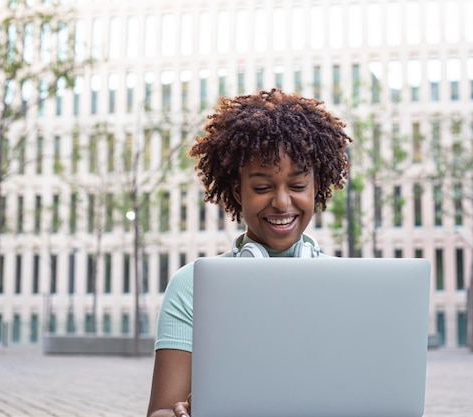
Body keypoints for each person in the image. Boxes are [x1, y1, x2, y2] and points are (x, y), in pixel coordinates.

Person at [146, 88, 352, 417]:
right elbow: (160, 410)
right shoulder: (192, 285)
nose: (282, 203)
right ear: (237, 191)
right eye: (262, 187)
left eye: (298, 186)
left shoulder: (352, 286)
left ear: (317, 188)